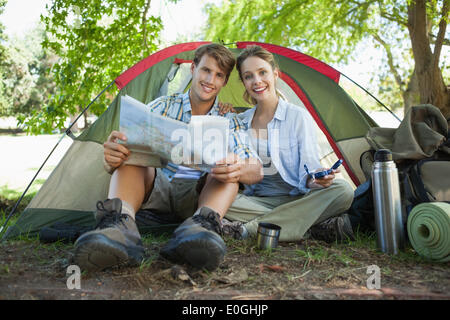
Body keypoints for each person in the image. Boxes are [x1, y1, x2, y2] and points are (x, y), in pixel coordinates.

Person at [73, 43, 263, 272]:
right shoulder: (163, 106)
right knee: (132, 152)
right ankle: (119, 229)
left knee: (229, 172)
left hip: (199, 194)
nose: (210, 80)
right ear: (193, 69)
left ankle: (201, 229)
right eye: (206, 70)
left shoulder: (229, 120)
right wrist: (111, 158)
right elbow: (120, 153)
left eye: (219, 75)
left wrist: (238, 168)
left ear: (224, 81)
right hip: (157, 186)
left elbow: (256, 168)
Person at [219, 45, 355, 243]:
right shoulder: (240, 121)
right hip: (256, 202)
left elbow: (308, 169)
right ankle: (308, 226)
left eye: (262, 72)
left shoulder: (297, 117)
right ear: (244, 82)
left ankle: (249, 230)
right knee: (217, 200)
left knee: (343, 191)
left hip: (297, 198)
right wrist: (219, 115)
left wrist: (317, 180)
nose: (257, 81)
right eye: (248, 76)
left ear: (275, 74)